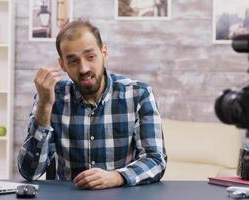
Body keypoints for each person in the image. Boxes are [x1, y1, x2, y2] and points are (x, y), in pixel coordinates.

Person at [18, 20, 167, 190]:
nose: (83, 68)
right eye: (73, 61)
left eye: (90, 57)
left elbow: (155, 159)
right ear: (62, 65)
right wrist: (44, 106)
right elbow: (29, 172)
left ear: (104, 53)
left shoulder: (139, 94)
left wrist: (116, 177)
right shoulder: (50, 97)